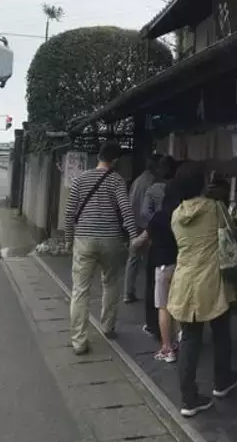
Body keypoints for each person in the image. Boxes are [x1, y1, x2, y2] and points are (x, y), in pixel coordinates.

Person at [168, 161, 237, 417]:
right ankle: (223, 380)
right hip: (212, 281)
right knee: (221, 332)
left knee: (190, 339)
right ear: (201, 183)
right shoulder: (215, 208)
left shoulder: (176, 215)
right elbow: (229, 234)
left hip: (184, 280)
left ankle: (189, 398)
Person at [64, 141, 138, 355]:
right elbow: (126, 210)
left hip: (84, 240)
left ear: (99, 157)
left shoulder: (81, 179)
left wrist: (69, 239)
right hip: (110, 240)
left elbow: (70, 213)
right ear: (115, 160)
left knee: (80, 290)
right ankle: (107, 326)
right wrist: (134, 237)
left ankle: (78, 341)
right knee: (111, 283)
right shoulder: (116, 180)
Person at [132, 177, 181, 363]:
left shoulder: (160, 216)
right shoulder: (182, 214)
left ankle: (167, 348)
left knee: (163, 307)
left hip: (162, 265)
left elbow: (142, 239)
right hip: (180, 264)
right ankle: (176, 341)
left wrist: (132, 245)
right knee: (177, 304)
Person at [140, 155, 177, 338]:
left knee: (158, 296)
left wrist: (153, 226)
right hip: (179, 250)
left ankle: (155, 329)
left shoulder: (154, 189)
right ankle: (177, 337)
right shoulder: (179, 191)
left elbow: (145, 212)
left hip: (159, 249)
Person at [123, 155, 158, 303]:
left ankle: (128, 292)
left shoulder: (138, 180)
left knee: (133, 259)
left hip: (133, 223)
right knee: (150, 259)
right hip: (146, 225)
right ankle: (151, 292)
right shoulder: (152, 182)